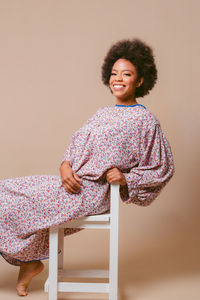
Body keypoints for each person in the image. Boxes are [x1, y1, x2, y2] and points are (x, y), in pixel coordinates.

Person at [0, 38, 175, 296]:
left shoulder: (145, 120)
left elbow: (162, 167)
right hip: (70, 184)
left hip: (91, 194)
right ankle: (29, 261)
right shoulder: (102, 113)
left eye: (126, 74)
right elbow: (74, 148)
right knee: (5, 190)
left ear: (140, 81)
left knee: (12, 199)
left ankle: (28, 261)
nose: (118, 78)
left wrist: (127, 178)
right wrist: (64, 166)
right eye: (114, 73)